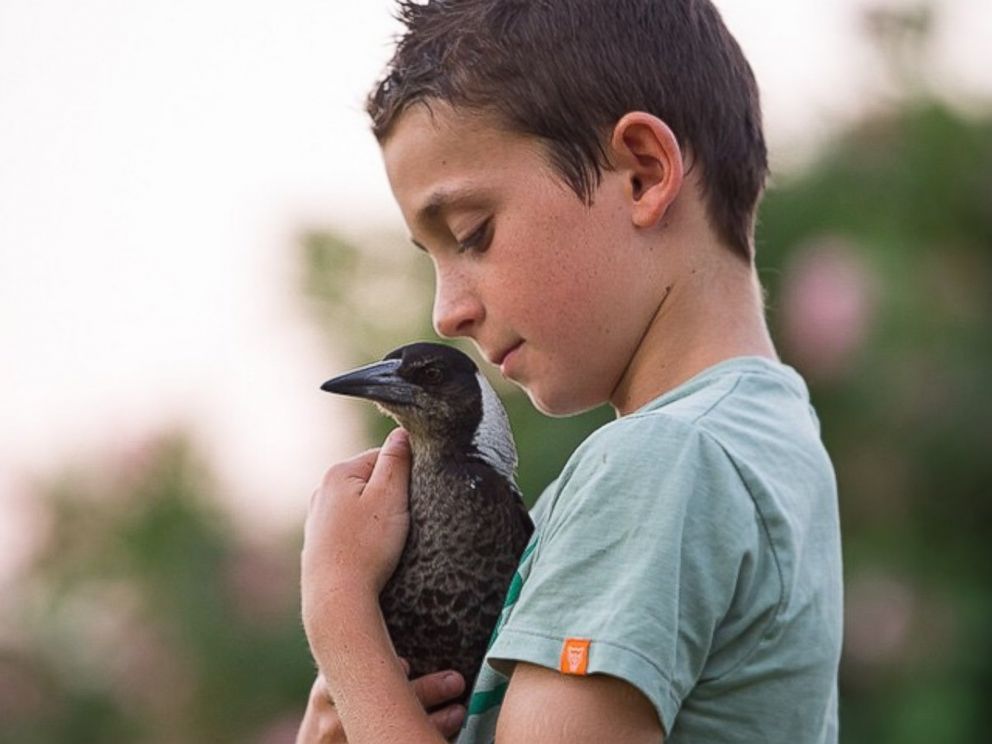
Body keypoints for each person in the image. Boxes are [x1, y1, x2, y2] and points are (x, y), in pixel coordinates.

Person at [297, 1, 843, 742]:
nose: (445, 313)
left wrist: (339, 615)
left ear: (644, 174)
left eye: (473, 235)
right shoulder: (763, 435)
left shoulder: (660, 462)